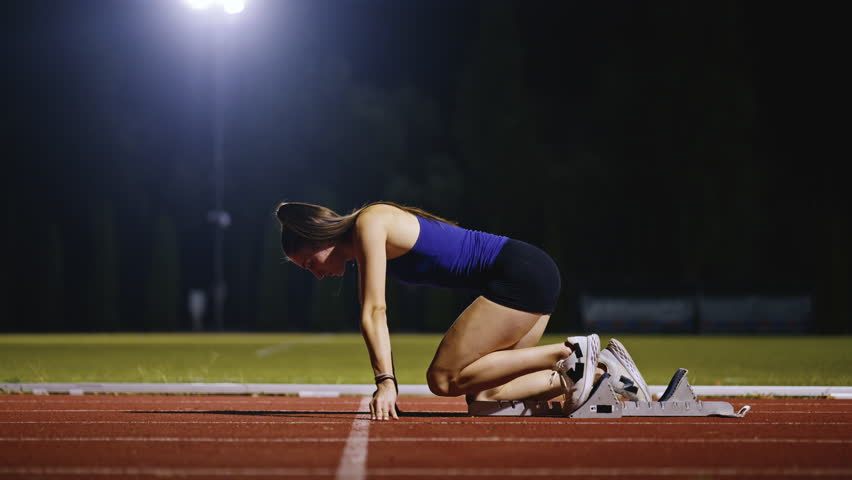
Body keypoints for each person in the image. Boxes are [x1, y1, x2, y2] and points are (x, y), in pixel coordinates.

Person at [276, 201, 651, 421]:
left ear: (320, 237)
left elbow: (374, 310)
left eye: (310, 262)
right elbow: (370, 307)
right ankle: (601, 372)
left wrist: (385, 382)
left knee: (442, 380)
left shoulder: (369, 222)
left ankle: (569, 354)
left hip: (518, 274)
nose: (317, 273)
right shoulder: (362, 243)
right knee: (487, 401)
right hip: (529, 274)